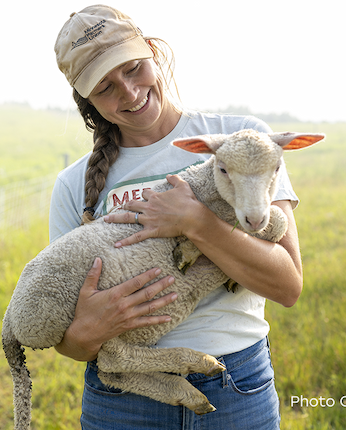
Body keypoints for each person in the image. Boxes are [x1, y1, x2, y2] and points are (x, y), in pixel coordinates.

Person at [50, 3, 303, 429]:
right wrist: (90, 330)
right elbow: (70, 343)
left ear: (154, 50)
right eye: (105, 88)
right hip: (122, 401)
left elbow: (287, 284)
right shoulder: (73, 184)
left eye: (132, 68)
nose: (129, 93)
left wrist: (196, 223)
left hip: (236, 387)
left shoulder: (244, 140)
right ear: (86, 100)